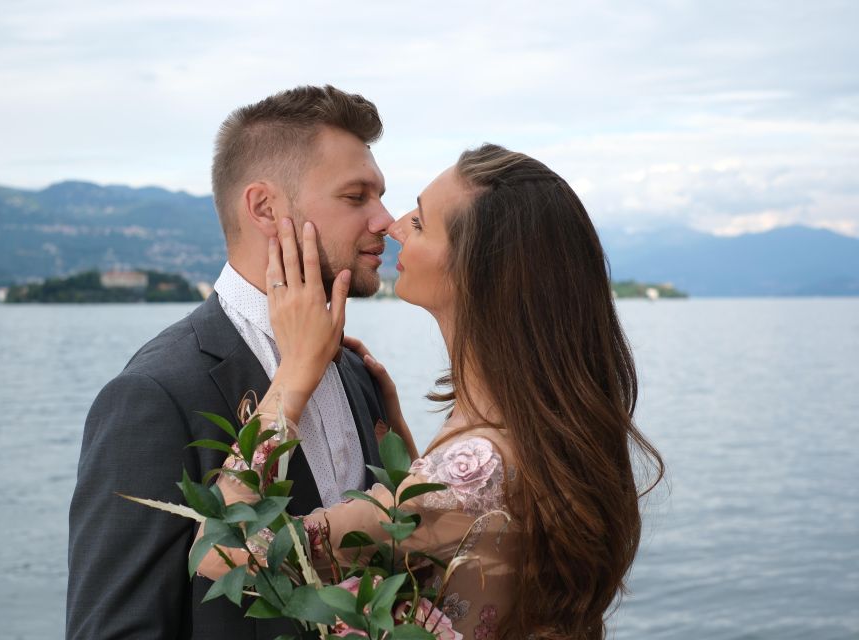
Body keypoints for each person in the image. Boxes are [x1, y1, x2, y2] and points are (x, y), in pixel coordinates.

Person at [196, 144, 665, 639]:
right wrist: (398, 435)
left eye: (418, 223)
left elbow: (223, 551)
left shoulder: (473, 472)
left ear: (475, 272)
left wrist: (293, 375)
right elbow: (465, 550)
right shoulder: (527, 432)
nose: (393, 226)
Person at [67, 85, 397, 640]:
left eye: (380, 196)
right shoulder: (155, 395)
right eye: (355, 196)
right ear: (266, 208)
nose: (385, 219)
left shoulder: (356, 372)